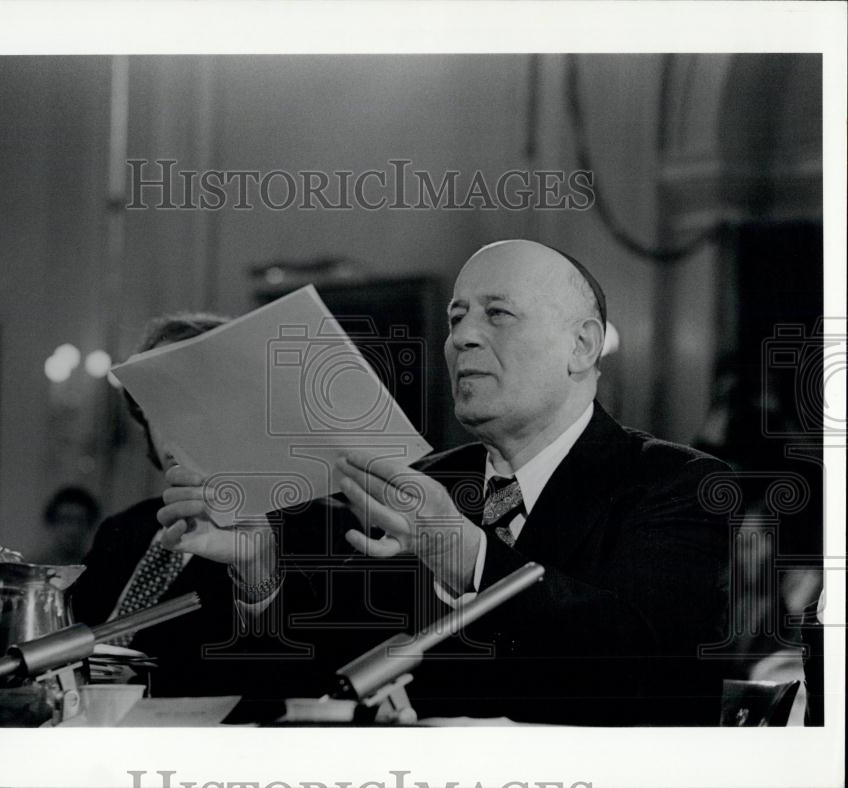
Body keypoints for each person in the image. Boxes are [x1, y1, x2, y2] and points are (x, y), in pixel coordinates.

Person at [163, 239, 734, 725]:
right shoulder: (422, 485)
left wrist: (464, 554)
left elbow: (647, 669)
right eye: (456, 317)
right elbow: (313, 678)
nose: (462, 337)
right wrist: (260, 570)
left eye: (497, 314)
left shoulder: (679, 484)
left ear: (581, 346)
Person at [70, 313, 310, 700]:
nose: (178, 422)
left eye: (198, 398)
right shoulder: (123, 529)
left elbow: (302, 687)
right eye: (159, 401)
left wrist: (257, 578)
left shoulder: (323, 527)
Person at [40, 486, 101, 565]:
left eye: (80, 521)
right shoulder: (33, 569)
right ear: (52, 523)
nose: (72, 530)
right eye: (65, 520)